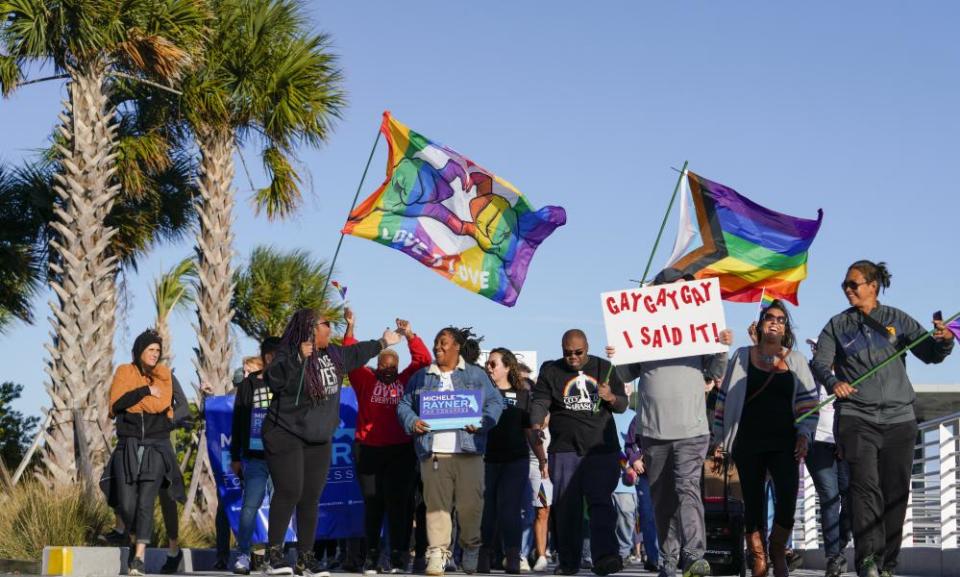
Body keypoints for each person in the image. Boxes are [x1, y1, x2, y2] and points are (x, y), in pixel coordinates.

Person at [810, 260, 954, 577]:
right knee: (864, 490)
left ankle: (888, 562)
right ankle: (868, 560)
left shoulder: (897, 320)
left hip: (900, 419)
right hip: (857, 417)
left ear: (872, 285)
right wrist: (834, 383)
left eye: (853, 284)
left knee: (895, 493)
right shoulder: (837, 325)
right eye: (844, 285)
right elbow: (819, 362)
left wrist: (943, 341)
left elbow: (929, 352)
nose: (847, 290)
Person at [606, 268, 733, 577]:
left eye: (685, 290)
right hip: (652, 429)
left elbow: (715, 371)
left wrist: (721, 345)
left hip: (691, 428)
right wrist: (616, 353)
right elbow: (625, 375)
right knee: (663, 500)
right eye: (674, 289)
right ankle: (668, 560)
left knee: (687, 488)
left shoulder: (698, 326)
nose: (681, 295)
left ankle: (694, 556)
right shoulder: (641, 328)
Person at [262, 309, 402, 576]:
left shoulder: (335, 355)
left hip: (319, 436)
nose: (330, 328)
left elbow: (358, 352)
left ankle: (305, 559)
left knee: (311, 497)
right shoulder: (289, 351)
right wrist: (296, 358)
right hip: (285, 431)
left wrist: (383, 342)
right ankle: (274, 557)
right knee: (290, 490)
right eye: (326, 324)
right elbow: (274, 380)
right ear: (311, 328)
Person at [712, 300, 818, 577]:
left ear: (785, 328)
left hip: (785, 442)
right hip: (747, 440)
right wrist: (720, 440)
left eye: (781, 319)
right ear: (759, 324)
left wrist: (805, 435)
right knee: (753, 502)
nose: (775, 322)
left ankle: (777, 549)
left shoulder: (796, 360)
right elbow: (723, 401)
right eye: (769, 317)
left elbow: (809, 404)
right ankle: (758, 557)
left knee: (787, 498)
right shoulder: (742, 356)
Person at [397, 327, 505, 577]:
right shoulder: (422, 376)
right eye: (436, 342)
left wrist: (483, 421)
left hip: (469, 450)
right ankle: (437, 552)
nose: (438, 347)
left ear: (457, 346)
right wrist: (412, 421)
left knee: (470, 505)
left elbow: (495, 402)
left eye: (443, 343)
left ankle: (470, 545)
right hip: (433, 451)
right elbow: (404, 404)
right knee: (436, 507)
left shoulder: (476, 374)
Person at [530, 329, 629, 576]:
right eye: (567, 353)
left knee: (601, 503)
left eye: (578, 352)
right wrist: (535, 422)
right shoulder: (551, 371)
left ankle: (605, 557)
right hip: (564, 450)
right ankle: (568, 562)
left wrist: (610, 396)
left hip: (601, 450)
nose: (572, 357)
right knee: (566, 508)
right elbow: (540, 401)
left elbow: (623, 405)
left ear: (587, 347)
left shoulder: (604, 367)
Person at [342, 309, 432, 575]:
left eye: (393, 366)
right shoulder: (365, 380)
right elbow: (349, 355)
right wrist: (351, 326)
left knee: (399, 504)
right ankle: (371, 555)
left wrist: (409, 335)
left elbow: (423, 360)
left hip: (400, 450)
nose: (389, 370)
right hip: (368, 449)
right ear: (377, 366)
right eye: (384, 366)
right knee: (373, 503)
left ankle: (398, 555)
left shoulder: (406, 380)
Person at [103, 330, 185, 577]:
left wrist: (168, 419)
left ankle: (140, 557)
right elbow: (117, 404)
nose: (155, 354)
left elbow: (176, 405)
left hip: (157, 446)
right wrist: (145, 393)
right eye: (151, 349)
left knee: (154, 501)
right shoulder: (125, 372)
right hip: (128, 444)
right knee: (127, 504)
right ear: (139, 350)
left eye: (158, 351)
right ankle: (131, 537)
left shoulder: (165, 376)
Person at [230, 337, 282, 575]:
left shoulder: (288, 381)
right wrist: (235, 456)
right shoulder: (249, 385)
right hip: (255, 457)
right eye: (269, 354)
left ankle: (276, 557)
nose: (273, 359)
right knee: (250, 506)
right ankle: (242, 555)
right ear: (264, 356)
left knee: (281, 507)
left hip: (282, 456)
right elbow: (238, 420)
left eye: (277, 354)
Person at [478, 348, 533, 574]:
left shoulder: (522, 395)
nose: (489, 368)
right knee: (487, 510)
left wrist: (541, 457)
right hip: (487, 459)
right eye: (488, 364)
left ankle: (513, 556)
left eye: (494, 364)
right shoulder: (480, 394)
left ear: (508, 367)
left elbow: (529, 429)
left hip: (516, 460)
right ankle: (484, 555)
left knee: (510, 509)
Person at [802, 338, 848, 577]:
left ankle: (839, 548)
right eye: (814, 349)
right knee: (830, 497)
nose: (817, 353)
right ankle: (833, 556)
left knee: (850, 496)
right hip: (817, 443)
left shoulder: (847, 372)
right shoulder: (807, 375)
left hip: (844, 444)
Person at [624, 415, 658, 573]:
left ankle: (671, 556)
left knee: (669, 515)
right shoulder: (640, 417)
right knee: (647, 515)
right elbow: (630, 444)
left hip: (666, 474)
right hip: (645, 476)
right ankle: (653, 558)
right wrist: (634, 459)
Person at [612, 390, 638, 567]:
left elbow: (638, 445)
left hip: (627, 481)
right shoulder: (604, 416)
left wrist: (632, 465)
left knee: (627, 517)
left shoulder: (635, 416)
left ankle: (624, 553)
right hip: (605, 476)